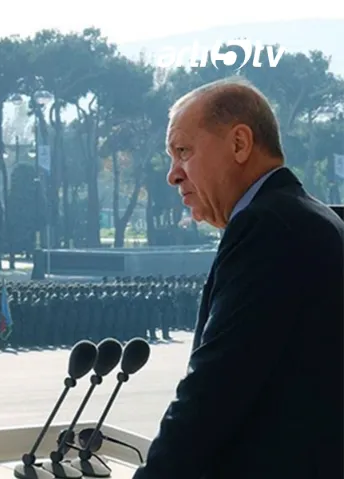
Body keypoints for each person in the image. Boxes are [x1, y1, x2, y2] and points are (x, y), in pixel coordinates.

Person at [133, 78, 344, 478]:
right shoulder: (307, 217)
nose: (173, 175)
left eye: (183, 151)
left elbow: (213, 392)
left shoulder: (268, 228)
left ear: (239, 144)